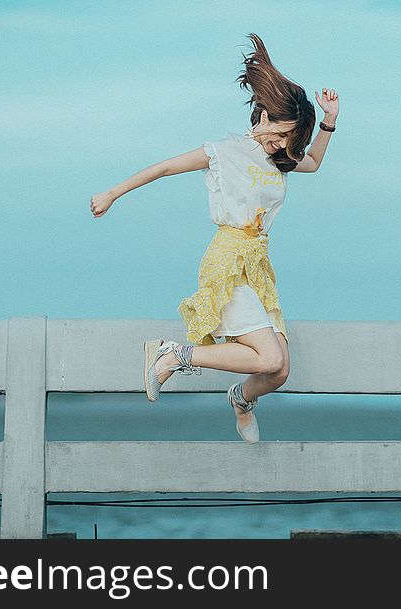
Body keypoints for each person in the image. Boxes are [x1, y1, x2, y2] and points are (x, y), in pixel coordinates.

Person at [90, 33, 339, 443]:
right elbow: (166, 168)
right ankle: (174, 354)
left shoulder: (280, 159)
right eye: (281, 134)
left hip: (258, 266)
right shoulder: (225, 151)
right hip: (228, 259)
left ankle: (241, 400)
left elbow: (312, 162)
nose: (283, 145)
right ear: (263, 116)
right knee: (269, 355)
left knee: (279, 370)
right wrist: (113, 193)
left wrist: (329, 120)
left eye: (289, 139)